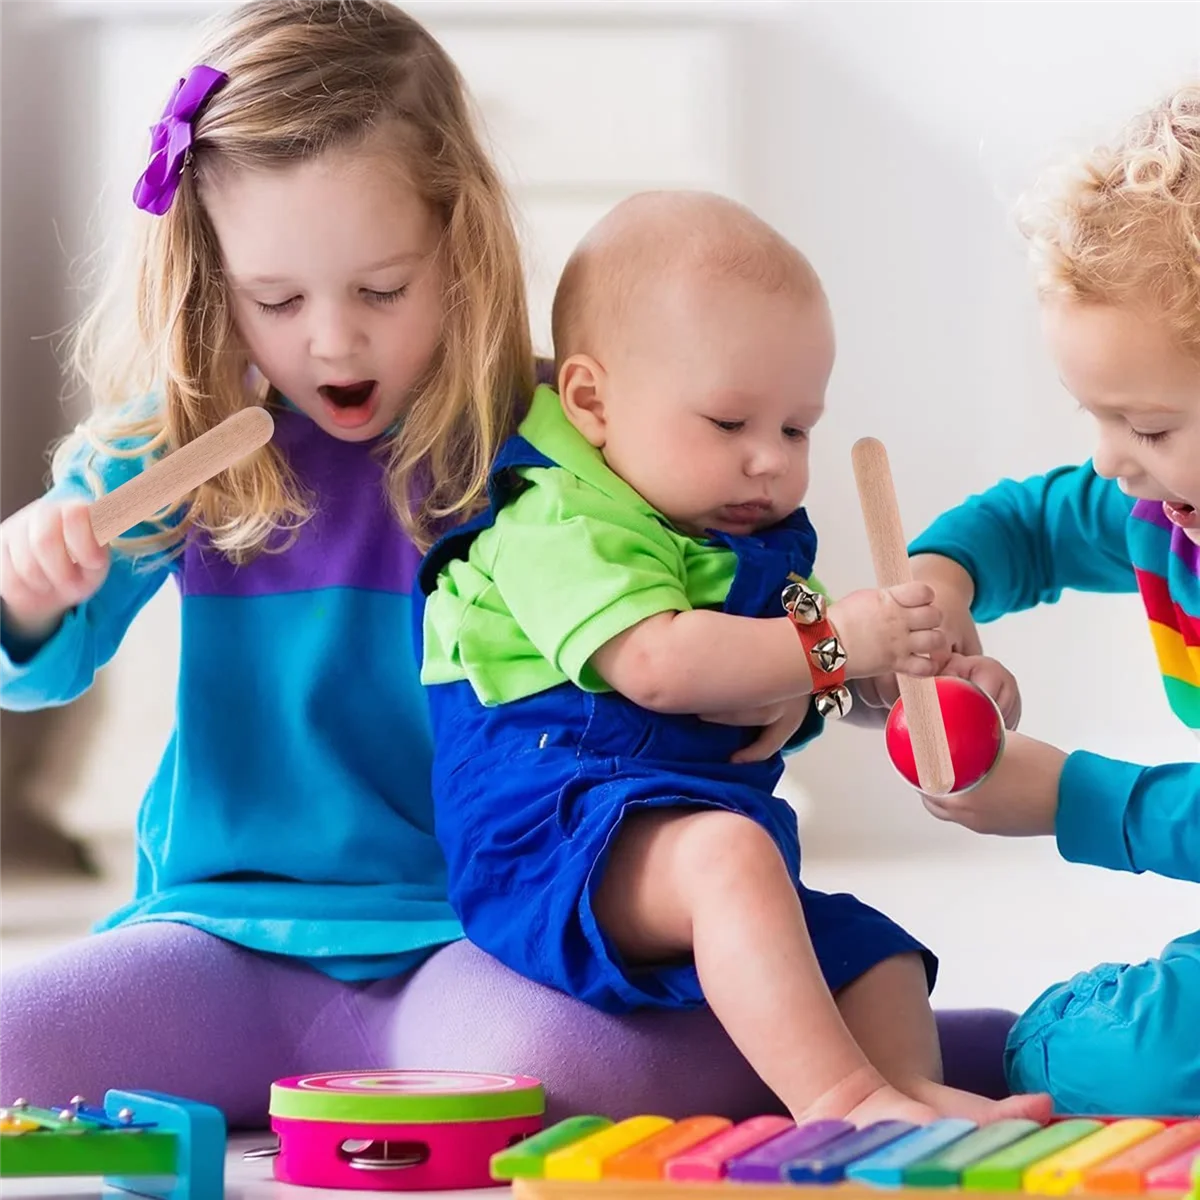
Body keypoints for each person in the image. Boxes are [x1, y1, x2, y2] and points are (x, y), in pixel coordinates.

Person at [0, 0, 809, 1127]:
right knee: (14, 1052)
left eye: (382, 289)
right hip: (223, 928)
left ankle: (915, 1046)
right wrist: (28, 591)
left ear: (459, 246)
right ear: (209, 275)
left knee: (592, 1084)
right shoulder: (171, 448)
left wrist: (804, 680)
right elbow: (31, 670)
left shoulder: (558, 442)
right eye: (275, 299)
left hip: (472, 925)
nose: (332, 339)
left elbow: (731, 606)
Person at [420, 190, 1050, 1124]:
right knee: (730, 858)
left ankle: (912, 1095)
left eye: (797, 429)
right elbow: (662, 667)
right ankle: (843, 1101)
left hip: (695, 833)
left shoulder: (743, 537)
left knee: (869, 950)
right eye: (729, 424)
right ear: (592, 400)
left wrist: (913, 679)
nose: (770, 462)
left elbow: (808, 675)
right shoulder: (554, 521)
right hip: (549, 835)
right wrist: (841, 640)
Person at [903, 82, 1200, 1116]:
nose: (1113, 459)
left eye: (1151, 427)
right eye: (1097, 416)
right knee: (1144, 1063)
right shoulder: (1166, 514)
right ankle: (1068, 1039)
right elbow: (1029, 523)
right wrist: (941, 588)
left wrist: (1075, 798)